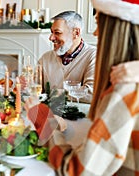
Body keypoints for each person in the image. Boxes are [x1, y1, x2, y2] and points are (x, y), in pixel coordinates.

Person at [26, 0, 139, 175]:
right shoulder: (131, 78)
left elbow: (75, 170)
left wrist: (43, 121)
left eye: (98, 23)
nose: (94, 32)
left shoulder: (125, 89)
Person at [39, 11, 96, 103]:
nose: (51, 38)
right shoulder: (45, 58)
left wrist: (54, 94)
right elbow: (33, 88)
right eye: (51, 32)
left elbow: (91, 94)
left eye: (57, 32)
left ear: (76, 33)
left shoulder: (93, 56)